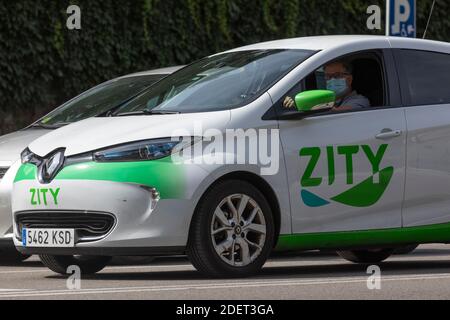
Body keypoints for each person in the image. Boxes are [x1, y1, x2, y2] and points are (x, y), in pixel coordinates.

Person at [283, 60, 370, 111]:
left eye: (337, 75)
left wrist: (301, 106)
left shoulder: (360, 101)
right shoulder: (326, 100)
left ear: (349, 79)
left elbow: (333, 113)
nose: (331, 80)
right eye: (328, 76)